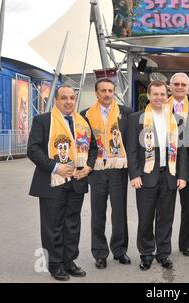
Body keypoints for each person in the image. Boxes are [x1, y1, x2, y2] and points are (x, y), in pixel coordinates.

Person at [27, 85, 98, 281]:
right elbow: (33, 149)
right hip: (52, 180)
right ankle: (55, 264)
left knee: (72, 224)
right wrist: (55, 167)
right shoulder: (42, 120)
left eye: (72, 98)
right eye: (64, 98)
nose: (68, 101)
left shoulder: (83, 122)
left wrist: (89, 166)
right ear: (56, 100)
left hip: (77, 180)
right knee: (53, 224)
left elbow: (93, 148)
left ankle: (69, 261)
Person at [127, 80, 189, 271]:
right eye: (156, 94)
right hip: (146, 176)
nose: (160, 98)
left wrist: (183, 175)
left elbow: (183, 150)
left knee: (166, 218)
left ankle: (163, 254)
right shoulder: (137, 118)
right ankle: (146, 254)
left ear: (167, 94)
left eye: (163, 94)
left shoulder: (177, 119)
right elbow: (132, 149)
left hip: (169, 175)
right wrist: (134, 174)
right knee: (145, 218)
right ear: (149, 95)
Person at [80, 78, 133, 270]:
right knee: (98, 214)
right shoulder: (85, 115)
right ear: (96, 93)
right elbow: (82, 145)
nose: (107, 94)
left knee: (119, 213)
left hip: (118, 169)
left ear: (114, 91)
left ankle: (119, 250)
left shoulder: (125, 113)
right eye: (103, 91)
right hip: (97, 170)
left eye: (110, 90)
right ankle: (100, 253)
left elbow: (131, 142)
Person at [167, 72, 189, 257]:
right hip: (166, 164)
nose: (179, 87)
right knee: (166, 208)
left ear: (188, 87)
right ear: (170, 86)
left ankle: (186, 244)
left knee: (188, 207)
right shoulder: (159, 106)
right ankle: (163, 244)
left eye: (183, 84)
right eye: (176, 84)